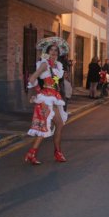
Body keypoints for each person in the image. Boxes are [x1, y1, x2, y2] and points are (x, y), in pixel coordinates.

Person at [24, 37, 70, 165]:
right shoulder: (44, 64)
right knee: (46, 127)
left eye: (56, 50)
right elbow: (32, 78)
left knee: (58, 125)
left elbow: (55, 83)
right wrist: (39, 94)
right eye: (51, 50)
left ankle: (51, 152)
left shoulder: (58, 65)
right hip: (46, 99)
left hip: (54, 97)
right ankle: (50, 153)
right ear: (47, 52)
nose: (54, 52)